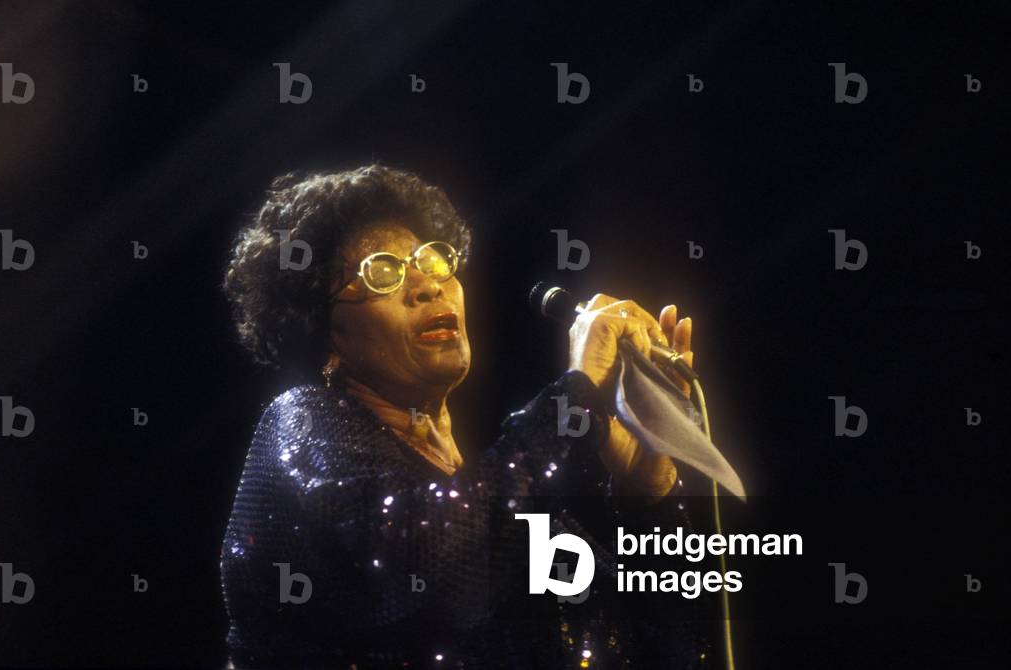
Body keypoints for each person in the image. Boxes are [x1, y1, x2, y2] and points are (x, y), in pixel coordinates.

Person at [220, 165, 713, 669]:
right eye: (383, 271)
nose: (426, 286)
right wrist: (574, 396)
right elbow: (423, 574)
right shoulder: (299, 424)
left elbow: (657, 648)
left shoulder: (504, 511)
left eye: (432, 261)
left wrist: (647, 495)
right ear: (329, 336)